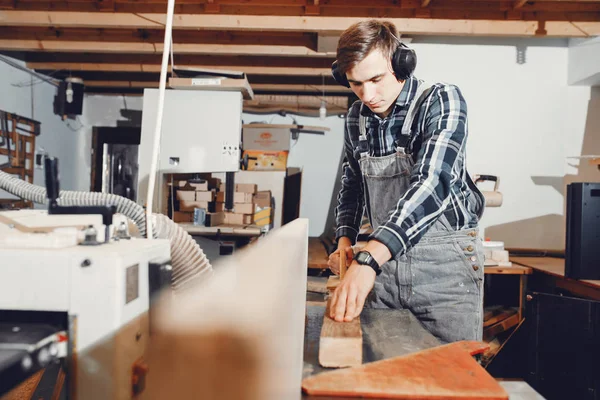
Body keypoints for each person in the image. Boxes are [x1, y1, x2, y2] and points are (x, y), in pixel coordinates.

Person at [327, 19, 486, 343]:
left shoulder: (441, 100)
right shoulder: (357, 117)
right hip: (384, 273)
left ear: (401, 64)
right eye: (356, 83)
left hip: (444, 276)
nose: (368, 94)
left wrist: (369, 259)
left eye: (376, 79)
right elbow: (352, 185)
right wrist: (345, 241)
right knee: (383, 375)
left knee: (450, 381)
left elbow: (431, 184)